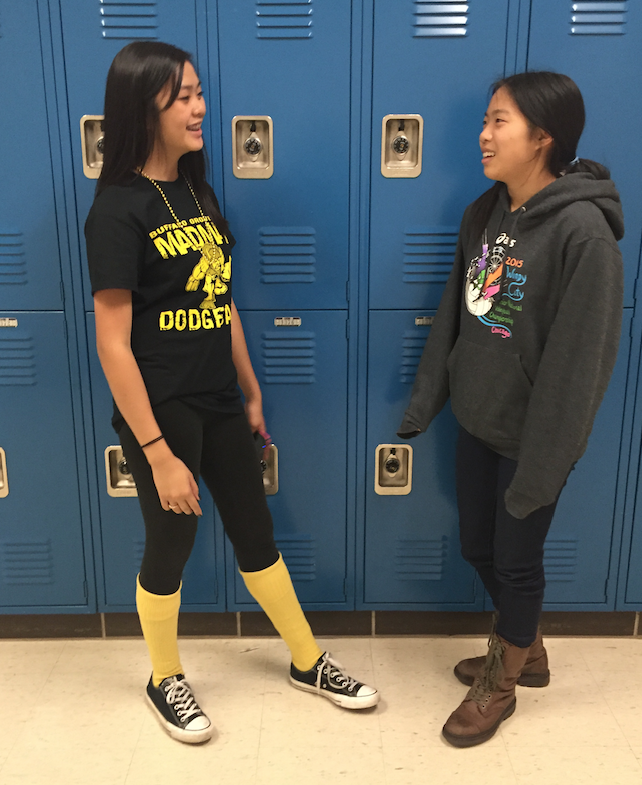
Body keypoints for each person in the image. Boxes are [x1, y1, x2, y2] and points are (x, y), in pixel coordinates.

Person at [85, 41, 378, 745]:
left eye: (197, 92)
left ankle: (308, 662)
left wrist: (249, 391)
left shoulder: (196, 191)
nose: (200, 107)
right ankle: (164, 677)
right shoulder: (118, 210)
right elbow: (112, 342)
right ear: (143, 104)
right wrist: (154, 450)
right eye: (182, 96)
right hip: (163, 412)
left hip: (218, 400)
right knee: (171, 544)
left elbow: (223, 302)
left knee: (258, 536)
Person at [398, 71, 624, 748]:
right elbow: (456, 318)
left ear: (543, 138)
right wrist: (427, 400)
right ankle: (529, 645)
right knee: (480, 546)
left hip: (533, 435)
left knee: (518, 562)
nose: (484, 134)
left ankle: (501, 680)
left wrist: (546, 462)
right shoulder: (486, 213)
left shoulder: (585, 235)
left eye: (500, 122)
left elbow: (580, 365)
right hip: (479, 417)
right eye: (487, 120)